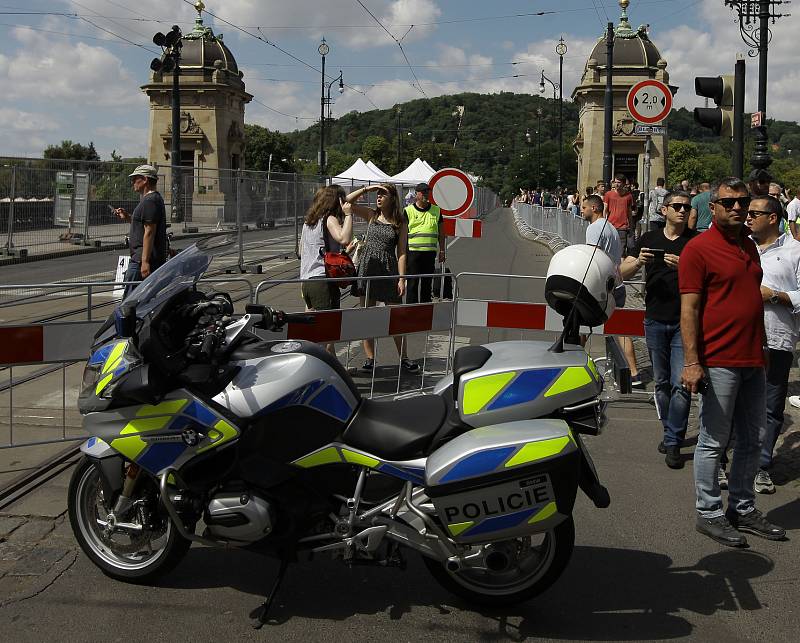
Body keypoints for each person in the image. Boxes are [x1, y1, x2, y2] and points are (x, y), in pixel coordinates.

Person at [679, 176, 786, 547]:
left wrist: (764, 351)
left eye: (743, 202)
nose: (738, 208)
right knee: (713, 439)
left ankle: (741, 507)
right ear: (714, 207)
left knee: (752, 439)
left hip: (753, 357)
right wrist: (692, 362)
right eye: (729, 203)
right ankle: (708, 512)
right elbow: (689, 310)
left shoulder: (750, 247)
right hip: (719, 359)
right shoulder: (699, 249)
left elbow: (750, 300)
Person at [621, 191, 697, 468]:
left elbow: (709, 279)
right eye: (677, 206)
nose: (682, 211)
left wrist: (686, 266)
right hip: (654, 319)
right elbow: (622, 271)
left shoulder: (696, 243)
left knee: (681, 384)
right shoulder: (648, 240)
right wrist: (638, 261)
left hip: (684, 323)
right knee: (662, 383)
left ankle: (674, 440)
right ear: (663, 210)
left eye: (686, 207)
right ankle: (670, 430)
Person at [745, 195, 800, 494]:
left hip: (777, 338)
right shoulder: (742, 247)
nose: (747, 217)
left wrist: (775, 295)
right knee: (735, 401)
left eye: (754, 213)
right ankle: (732, 462)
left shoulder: (795, 252)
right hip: (739, 337)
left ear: (773, 218)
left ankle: (762, 466)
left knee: (771, 405)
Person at [347, 183, 419, 373]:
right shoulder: (371, 215)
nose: (378, 197)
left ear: (392, 199)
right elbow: (346, 202)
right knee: (366, 315)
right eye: (377, 194)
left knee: (396, 316)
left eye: (382, 194)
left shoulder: (400, 221)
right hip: (368, 267)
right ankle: (370, 358)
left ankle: (404, 357)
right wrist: (367, 189)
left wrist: (402, 278)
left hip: (389, 269)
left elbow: (402, 252)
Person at [299, 185, 354, 353]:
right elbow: (344, 238)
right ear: (336, 201)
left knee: (313, 330)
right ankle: (317, 368)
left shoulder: (309, 222)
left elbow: (302, 252)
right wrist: (349, 214)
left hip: (307, 281)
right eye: (341, 199)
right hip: (322, 281)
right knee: (327, 331)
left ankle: (334, 367)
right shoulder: (329, 219)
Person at [114, 164, 168, 298]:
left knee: (129, 304)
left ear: (144, 180)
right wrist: (128, 217)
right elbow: (145, 225)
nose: (132, 182)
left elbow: (149, 232)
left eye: (135, 178)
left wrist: (144, 262)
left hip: (140, 262)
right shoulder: (153, 199)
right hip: (143, 260)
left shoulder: (149, 201)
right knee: (142, 302)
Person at [404, 182, 445, 304]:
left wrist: (442, 250)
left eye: (427, 191)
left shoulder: (436, 210)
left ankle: (425, 311)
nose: (426, 194)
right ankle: (411, 311)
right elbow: (403, 235)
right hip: (413, 254)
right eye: (423, 192)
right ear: (417, 194)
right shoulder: (408, 211)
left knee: (427, 284)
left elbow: (441, 233)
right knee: (412, 284)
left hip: (429, 254)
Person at [603, 174, 634, 254]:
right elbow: (605, 210)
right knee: (609, 250)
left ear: (624, 184)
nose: (616, 184)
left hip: (622, 227)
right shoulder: (608, 194)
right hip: (610, 226)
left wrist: (631, 227)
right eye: (615, 182)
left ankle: (620, 266)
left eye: (619, 182)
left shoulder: (628, 196)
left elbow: (629, 213)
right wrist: (603, 223)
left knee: (621, 251)